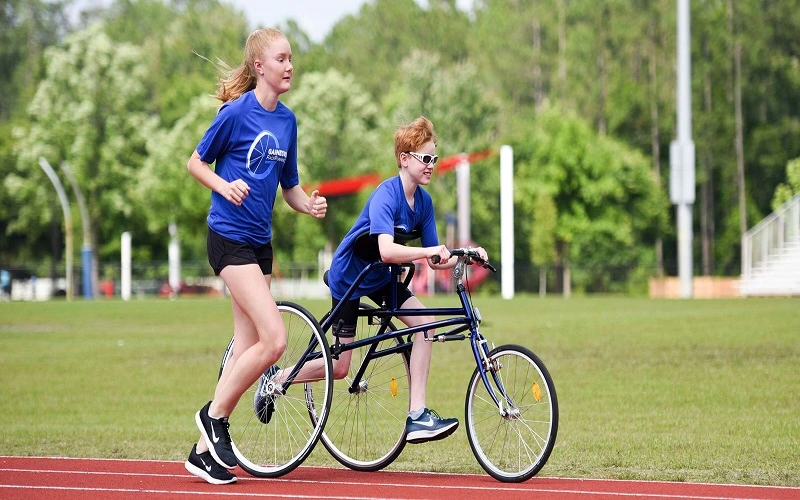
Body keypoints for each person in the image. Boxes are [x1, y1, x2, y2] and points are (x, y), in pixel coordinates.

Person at [262, 116, 487, 444]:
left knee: (426, 326)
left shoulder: (423, 203)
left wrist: (466, 253)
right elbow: (385, 250)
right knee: (339, 367)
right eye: (425, 159)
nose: (431, 165)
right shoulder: (387, 196)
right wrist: (426, 253)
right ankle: (278, 378)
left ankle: (417, 415)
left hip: (381, 277)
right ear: (404, 159)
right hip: (351, 277)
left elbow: (437, 259)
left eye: (434, 159)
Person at [184, 28, 327, 485]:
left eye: (292, 59)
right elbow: (194, 163)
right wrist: (224, 186)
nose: (290, 66)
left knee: (245, 347)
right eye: (282, 59)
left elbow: (289, 189)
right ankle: (214, 416)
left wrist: (309, 204)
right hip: (228, 240)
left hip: (260, 244)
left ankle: (202, 454)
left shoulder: (288, 122)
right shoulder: (235, 114)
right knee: (275, 339)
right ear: (260, 66)